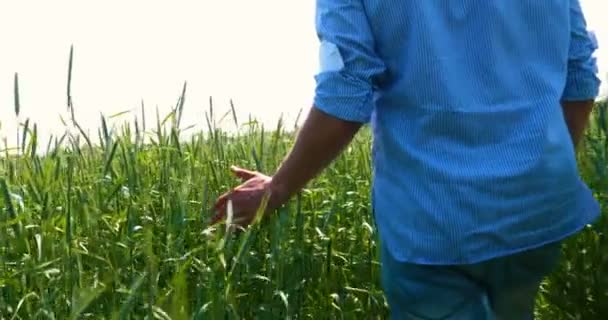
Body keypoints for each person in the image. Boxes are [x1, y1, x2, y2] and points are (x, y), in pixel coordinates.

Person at [212, 0, 602, 318]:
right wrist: (541, 163)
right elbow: (580, 73)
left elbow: (345, 93)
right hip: (537, 210)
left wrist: (276, 189)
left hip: (433, 226)